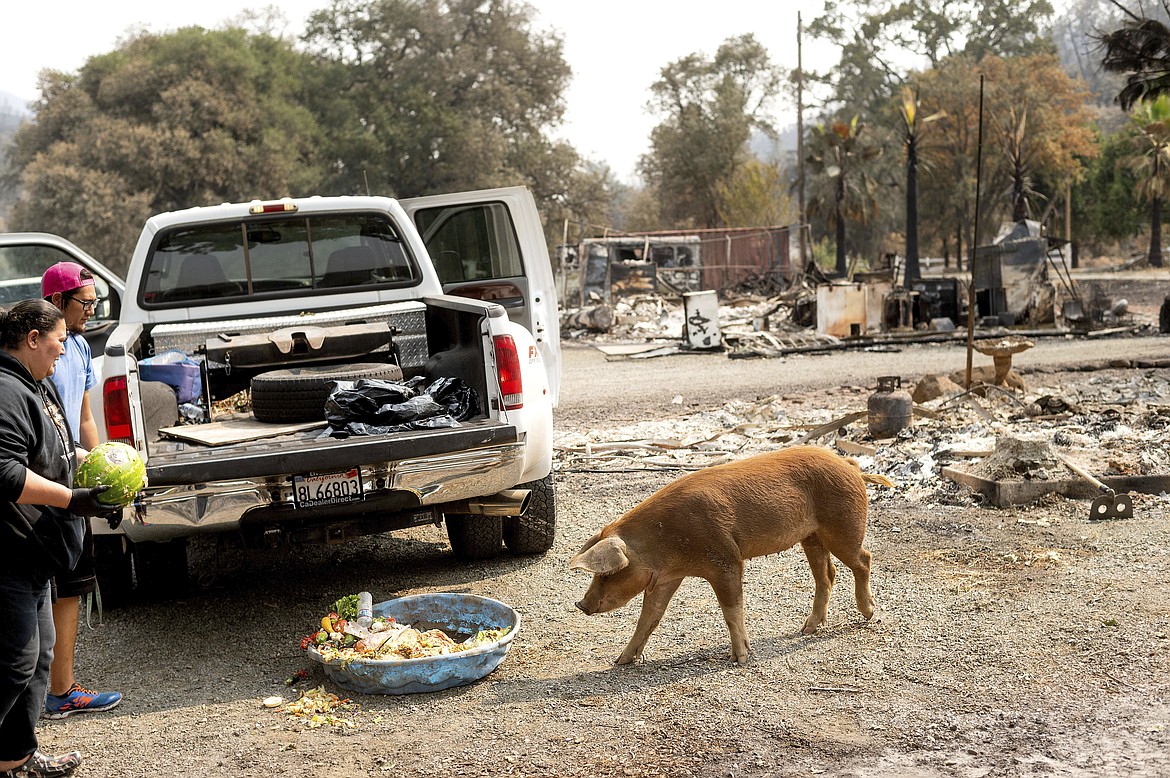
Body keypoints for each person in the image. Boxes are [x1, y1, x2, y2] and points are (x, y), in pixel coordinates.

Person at [0, 299, 112, 778]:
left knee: (39, 659)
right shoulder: (6, 390)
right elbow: (4, 473)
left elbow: (53, 450)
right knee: (13, 664)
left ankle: (15, 759)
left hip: (34, 555)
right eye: (58, 342)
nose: (64, 352)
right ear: (31, 339)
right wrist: (72, 499)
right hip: (5, 554)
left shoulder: (33, 381)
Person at [39, 263, 122, 720]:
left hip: (71, 477)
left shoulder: (80, 346)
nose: (91, 312)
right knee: (36, 588)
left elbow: (85, 417)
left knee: (71, 584)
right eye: (85, 304)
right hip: (41, 483)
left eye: (95, 304)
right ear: (56, 302)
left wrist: (102, 467)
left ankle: (61, 691)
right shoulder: (35, 349)